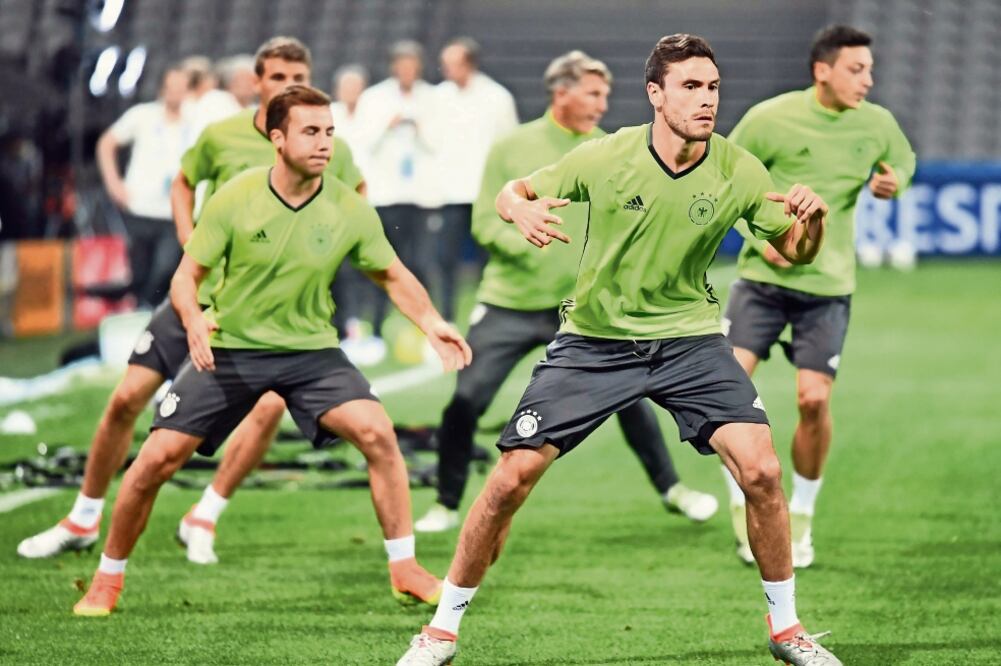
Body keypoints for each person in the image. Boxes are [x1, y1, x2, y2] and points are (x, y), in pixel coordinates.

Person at [398, 34, 843, 666]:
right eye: (690, 86)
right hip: (596, 341)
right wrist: (518, 214)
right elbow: (512, 193)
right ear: (655, 95)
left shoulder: (738, 168)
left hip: (690, 339)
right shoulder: (603, 157)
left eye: (713, 86)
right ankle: (440, 632)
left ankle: (787, 630)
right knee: (510, 479)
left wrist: (814, 220)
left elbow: (794, 250)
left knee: (763, 471)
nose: (707, 99)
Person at [73, 85, 471, 618]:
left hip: (311, 354)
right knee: (153, 463)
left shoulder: (349, 207)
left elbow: (391, 274)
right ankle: (106, 579)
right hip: (234, 348)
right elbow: (186, 277)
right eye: (311, 132)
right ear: (277, 138)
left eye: (330, 131)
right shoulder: (235, 197)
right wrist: (192, 321)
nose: (325, 143)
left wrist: (432, 322)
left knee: (378, 434)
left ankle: (405, 569)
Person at [15, 37, 365, 569]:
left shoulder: (328, 148)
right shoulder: (221, 136)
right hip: (199, 297)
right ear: (257, 81)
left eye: (298, 76)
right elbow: (183, 182)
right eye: (277, 77)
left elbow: (359, 200)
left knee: (269, 408)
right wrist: (188, 239)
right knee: (127, 396)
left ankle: (205, 513)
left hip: (265, 316)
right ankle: (84, 517)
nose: (287, 86)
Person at [415, 50, 717, 534]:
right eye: (593, 93)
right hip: (510, 304)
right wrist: (527, 235)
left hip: (583, 310)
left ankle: (671, 489)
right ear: (561, 93)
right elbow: (484, 222)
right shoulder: (511, 147)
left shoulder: (610, 151)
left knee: (630, 398)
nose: (603, 103)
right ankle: (447, 502)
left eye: (605, 94)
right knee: (466, 400)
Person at [721, 25, 915, 567]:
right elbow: (725, 179)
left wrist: (893, 180)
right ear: (822, 70)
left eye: (869, 70)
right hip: (761, 280)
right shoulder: (770, 117)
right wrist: (764, 240)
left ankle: (801, 512)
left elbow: (903, 161)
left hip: (828, 286)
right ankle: (741, 495)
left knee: (814, 400)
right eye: (857, 69)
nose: (867, 80)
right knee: (727, 392)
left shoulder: (877, 124)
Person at [354, 40, 440, 341]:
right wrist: (386, 127)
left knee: (422, 265)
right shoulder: (374, 98)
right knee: (382, 264)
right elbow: (364, 143)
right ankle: (375, 329)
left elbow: (442, 145)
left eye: (412, 65)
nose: (407, 71)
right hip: (386, 195)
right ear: (394, 67)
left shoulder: (433, 97)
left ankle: (429, 329)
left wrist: (420, 128)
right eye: (402, 65)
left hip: (421, 196)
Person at [429, 37, 519, 323]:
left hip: (486, 192)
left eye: (452, 64)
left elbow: (509, 144)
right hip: (450, 193)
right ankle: (447, 314)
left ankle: (488, 311)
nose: (447, 70)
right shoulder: (437, 97)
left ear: (469, 63)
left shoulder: (497, 96)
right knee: (445, 258)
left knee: (488, 258)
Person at [94, 65, 194, 308]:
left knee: (165, 266)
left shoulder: (196, 120)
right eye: (171, 87)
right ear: (162, 89)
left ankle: (151, 313)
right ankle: (141, 319)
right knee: (140, 271)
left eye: (181, 88)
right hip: (139, 206)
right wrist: (113, 183)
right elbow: (106, 143)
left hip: (175, 210)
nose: (176, 93)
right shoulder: (143, 115)